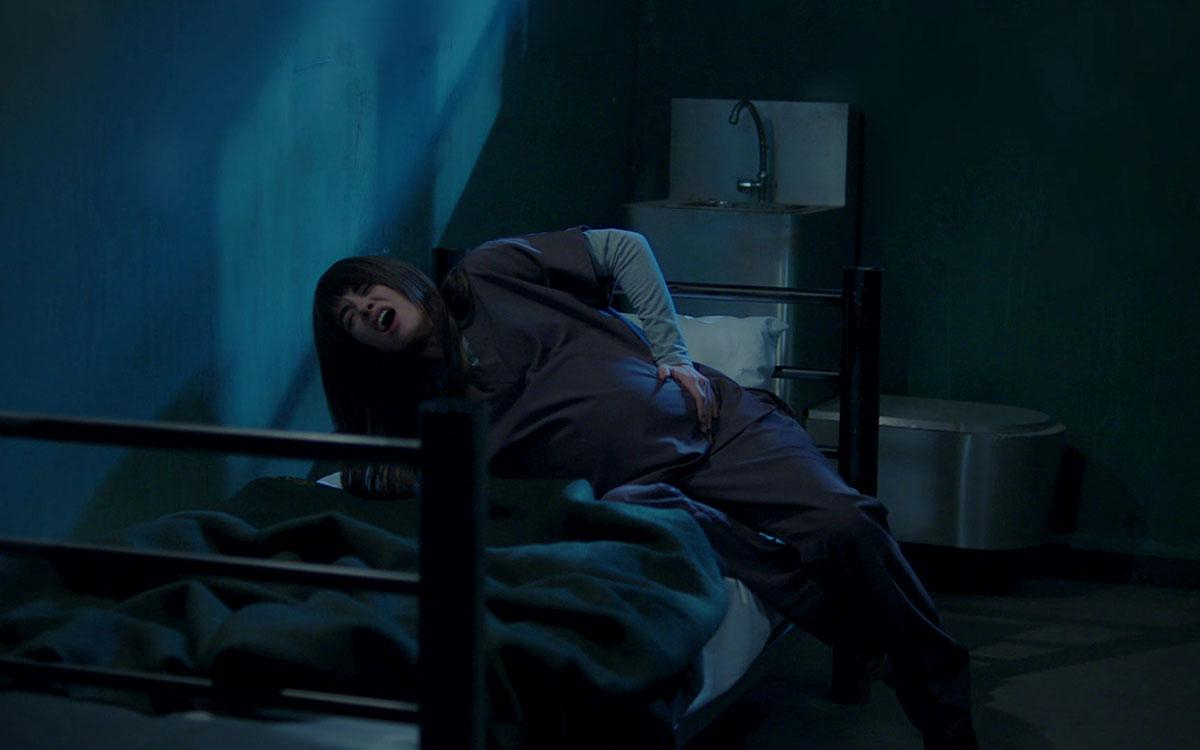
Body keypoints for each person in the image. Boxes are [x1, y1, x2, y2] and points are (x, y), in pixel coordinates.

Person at [312, 227, 978, 749]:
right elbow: (398, 485)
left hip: (720, 431)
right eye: (349, 319)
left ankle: (941, 703)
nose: (364, 308)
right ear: (361, 349)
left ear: (400, 282)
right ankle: (859, 631)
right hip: (637, 489)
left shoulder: (487, 273)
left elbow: (623, 248)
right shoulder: (426, 413)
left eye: (366, 291)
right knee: (636, 510)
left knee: (845, 524)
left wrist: (673, 355)